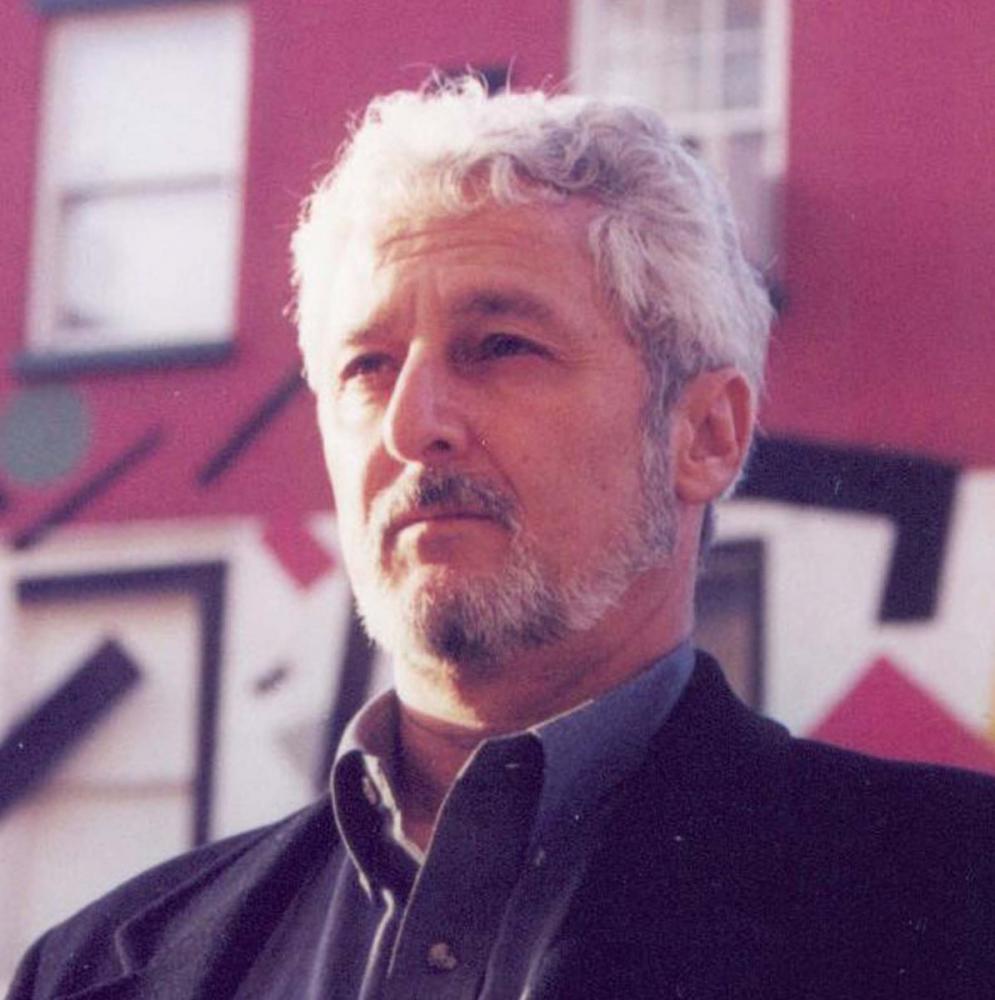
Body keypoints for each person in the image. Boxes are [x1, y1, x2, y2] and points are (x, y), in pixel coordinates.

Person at [9, 79, 995, 1000]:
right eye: (366, 367)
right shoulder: (96, 969)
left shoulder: (954, 899)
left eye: (498, 346)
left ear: (704, 433)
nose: (412, 426)